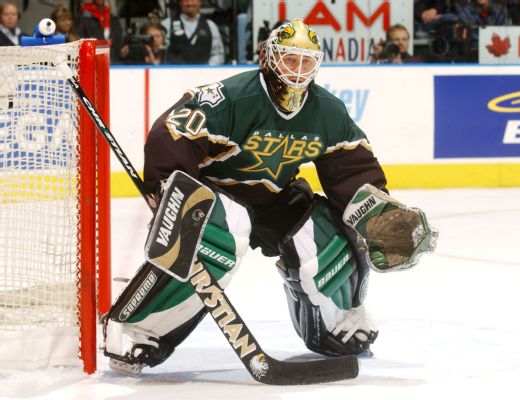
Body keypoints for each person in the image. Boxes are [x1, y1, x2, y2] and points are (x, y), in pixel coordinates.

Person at [101, 19, 436, 376]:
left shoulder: (326, 111)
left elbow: (350, 169)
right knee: (222, 233)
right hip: (218, 192)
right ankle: (134, 329)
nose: (298, 70)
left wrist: (376, 214)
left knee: (323, 237)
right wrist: (167, 186)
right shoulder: (235, 97)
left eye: (306, 62)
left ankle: (338, 324)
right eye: (290, 59)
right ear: (269, 57)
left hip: (274, 196)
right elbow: (174, 131)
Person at [161, 0, 225, 64]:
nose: (189, 3)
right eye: (185, 0)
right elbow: (161, 54)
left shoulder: (211, 26)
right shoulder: (167, 24)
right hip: (175, 73)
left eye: (193, 0)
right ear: (180, 3)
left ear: (200, 2)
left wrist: (207, 69)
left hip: (204, 72)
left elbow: (218, 54)